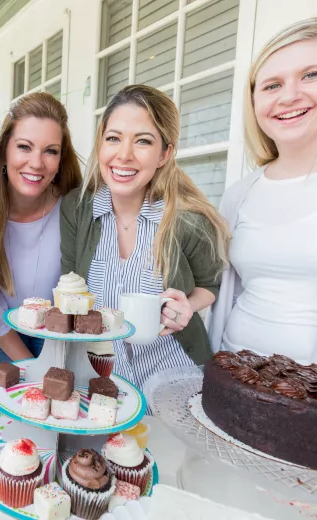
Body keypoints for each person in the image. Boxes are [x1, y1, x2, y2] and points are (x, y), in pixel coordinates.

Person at [208, 17, 317, 390]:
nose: (288, 96)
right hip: (234, 386)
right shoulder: (241, 192)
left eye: (311, 75)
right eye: (272, 85)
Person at [61, 84, 230, 389]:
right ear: (100, 144)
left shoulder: (189, 220)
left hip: (172, 376)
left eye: (143, 141)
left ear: (165, 153)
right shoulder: (77, 209)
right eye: (113, 139)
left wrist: (188, 306)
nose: (123, 155)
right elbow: (70, 283)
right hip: (98, 376)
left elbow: (210, 284)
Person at [0, 92, 82, 383]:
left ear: (61, 159)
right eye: (24, 147)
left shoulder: (73, 209)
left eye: (50, 151)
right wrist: (27, 362)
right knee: (0, 425)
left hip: (61, 337)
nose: (37, 163)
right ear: (5, 150)